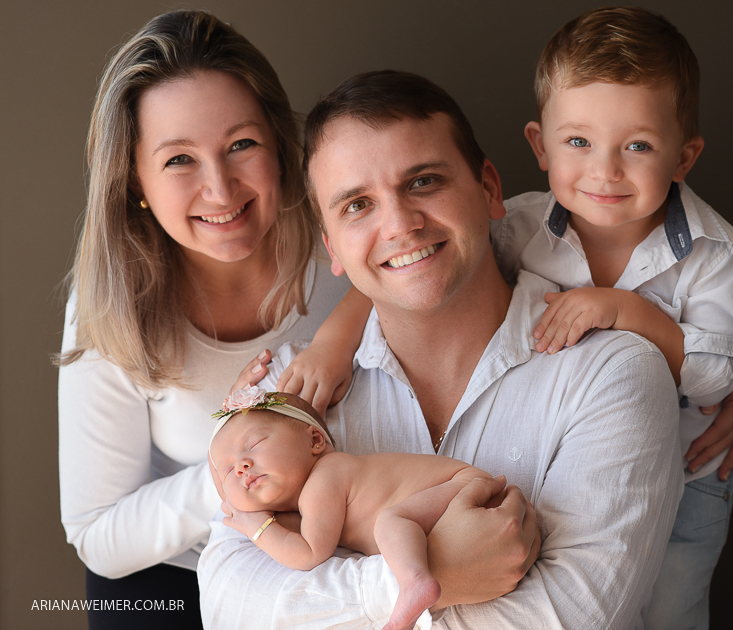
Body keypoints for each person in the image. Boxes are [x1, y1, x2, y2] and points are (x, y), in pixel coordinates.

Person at [198, 69, 683, 629]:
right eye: (357, 205)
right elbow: (228, 605)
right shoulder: (283, 393)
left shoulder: (615, 372)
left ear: (489, 189)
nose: (400, 225)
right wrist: (411, 583)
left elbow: (574, 616)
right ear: (332, 246)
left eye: (423, 181)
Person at [55, 10, 349, 629]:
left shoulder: (347, 239)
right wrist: (236, 464)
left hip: (346, 552)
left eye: (241, 145)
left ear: (277, 143)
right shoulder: (113, 302)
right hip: (176, 578)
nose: (220, 189)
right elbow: (98, 535)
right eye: (179, 160)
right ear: (134, 179)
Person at [491, 8, 733, 627]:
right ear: (539, 144)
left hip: (688, 474)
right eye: (578, 142)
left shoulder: (713, 252)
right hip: (560, 471)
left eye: (637, 146)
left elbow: (721, 376)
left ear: (683, 157)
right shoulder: (515, 230)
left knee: (671, 608)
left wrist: (628, 312)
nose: (605, 170)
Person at [208, 388, 503, 630]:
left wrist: (256, 527)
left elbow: (308, 553)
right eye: (227, 470)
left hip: (463, 488)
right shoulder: (312, 504)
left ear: (314, 440)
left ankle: (416, 583)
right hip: (464, 512)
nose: (241, 466)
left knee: (391, 522)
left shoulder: (326, 477)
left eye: (255, 443)